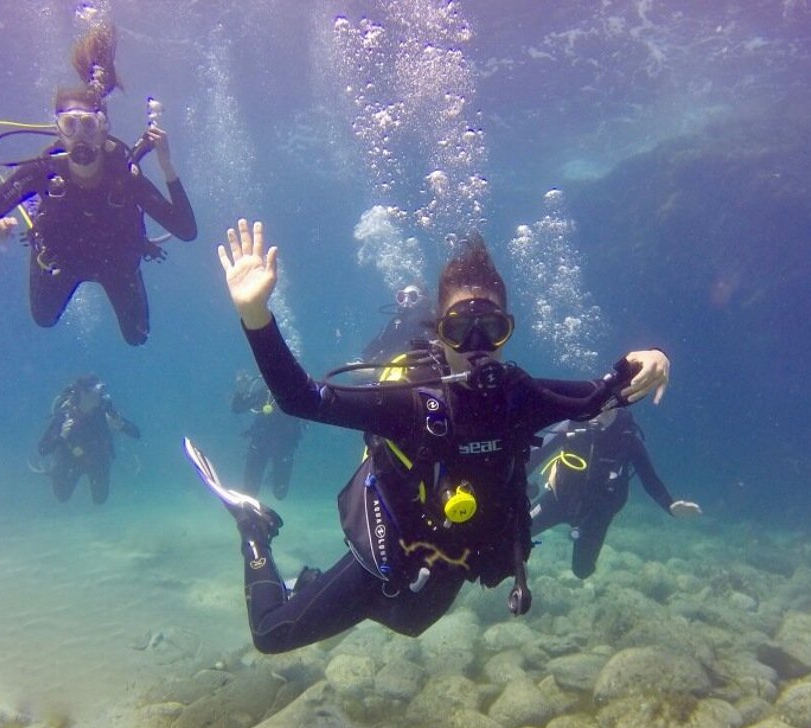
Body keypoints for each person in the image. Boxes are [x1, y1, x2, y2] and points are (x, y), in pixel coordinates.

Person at [185, 218, 672, 655]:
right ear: (440, 331)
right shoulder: (415, 405)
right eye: (461, 330)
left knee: (409, 622)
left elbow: (600, 396)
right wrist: (256, 317)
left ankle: (317, 587)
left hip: (455, 558)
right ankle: (254, 533)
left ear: (508, 332)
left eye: (492, 329)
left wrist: (648, 358)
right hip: (393, 552)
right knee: (273, 635)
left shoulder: (522, 397)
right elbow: (302, 399)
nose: (477, 346)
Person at [0, 23, 197, 345]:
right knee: (44, 319)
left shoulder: (124, 174)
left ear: (104, 129)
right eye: (70, 125)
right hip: (61, 259)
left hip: (116, 262)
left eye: (89, 125)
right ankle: (39, 229)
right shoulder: (43, 171)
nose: (80, 135)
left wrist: (167, 166)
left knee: (138, 337)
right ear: (58, 130)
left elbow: (186, 230)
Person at [528, 407, 701, 579]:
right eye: (601, 402)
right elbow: (534, 456)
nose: (604, 409)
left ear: (620, 407)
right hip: (559, 498)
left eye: (612, 405)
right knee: (513, 534)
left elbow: (649, 478)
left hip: (597, 512)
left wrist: (670, 506)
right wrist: (508, 480)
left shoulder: (627, 438)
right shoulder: (571, 425)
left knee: (582, 571)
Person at [38, 374, 140, 505]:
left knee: (100, 500)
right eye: (98, 391)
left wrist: (122, 425)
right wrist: (60, 436)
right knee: (62, 497)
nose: (102, 395)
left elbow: (136, 433)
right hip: (71, 461)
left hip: (96, 460)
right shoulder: (66, 415)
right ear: (83, 393)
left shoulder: (104, 412)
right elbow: (42, 449)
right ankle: (56, 472)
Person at [230, 371, 303, 500]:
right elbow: (238, 408)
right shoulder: (266, 392)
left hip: (284, 448)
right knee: (250, 492)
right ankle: (249, 516)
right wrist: (241, 390)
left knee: (280, 493)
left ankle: (272, 479)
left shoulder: (298, 393)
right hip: (260, 444)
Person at [360, 283, 436, 363]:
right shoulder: (396, 320)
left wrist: (376, 370)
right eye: (402, 297)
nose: (406, 302)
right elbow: (381, 340)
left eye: (413, 297)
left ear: (422, 300)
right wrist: (362, 360)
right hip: (389, 368)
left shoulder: (429, 321)